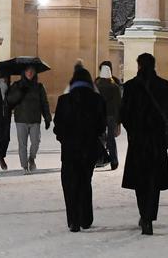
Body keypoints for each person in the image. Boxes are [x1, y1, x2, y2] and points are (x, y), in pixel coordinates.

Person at [120, 52, 168, 236]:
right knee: (154, 180)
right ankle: (149, 216)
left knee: (140, 181)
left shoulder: (130, 87)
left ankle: (144, 215)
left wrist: (133, 130)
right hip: (157, 140)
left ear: (139, 65)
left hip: (138, 140)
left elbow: (124, 114)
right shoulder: (166, 86)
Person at [54, 66, 107, 233]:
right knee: (85, 182)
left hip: (69, 149)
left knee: (70, 184)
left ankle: (74, 220)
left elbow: (58, 126)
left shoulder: (64, 100)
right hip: (89, 148)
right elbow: (101, 126)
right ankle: (86, 218)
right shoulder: (98, 100)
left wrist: (64, 138)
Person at [6, 65, 52, 173]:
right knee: (22, 144)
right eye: (27, 71)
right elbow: (10, 100)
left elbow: (44, 103)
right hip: (21, 119)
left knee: (36, 142)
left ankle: (31, 159)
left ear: (35, 72)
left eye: (32, 70)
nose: (30, 73)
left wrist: (47, 118)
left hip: (35, 119)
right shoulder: (17, 85)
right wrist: (20, 91)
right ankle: (24, 165)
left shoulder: (39, 87)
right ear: (24, 72)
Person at [95, 61, 122, 169]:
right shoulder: (115, 86)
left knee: (100, 138)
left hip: (99, 115)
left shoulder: (96, 85)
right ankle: (114, 161)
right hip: (111, 116)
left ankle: (100, 159)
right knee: (111, 139)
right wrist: (119, 121)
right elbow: (118, 104)